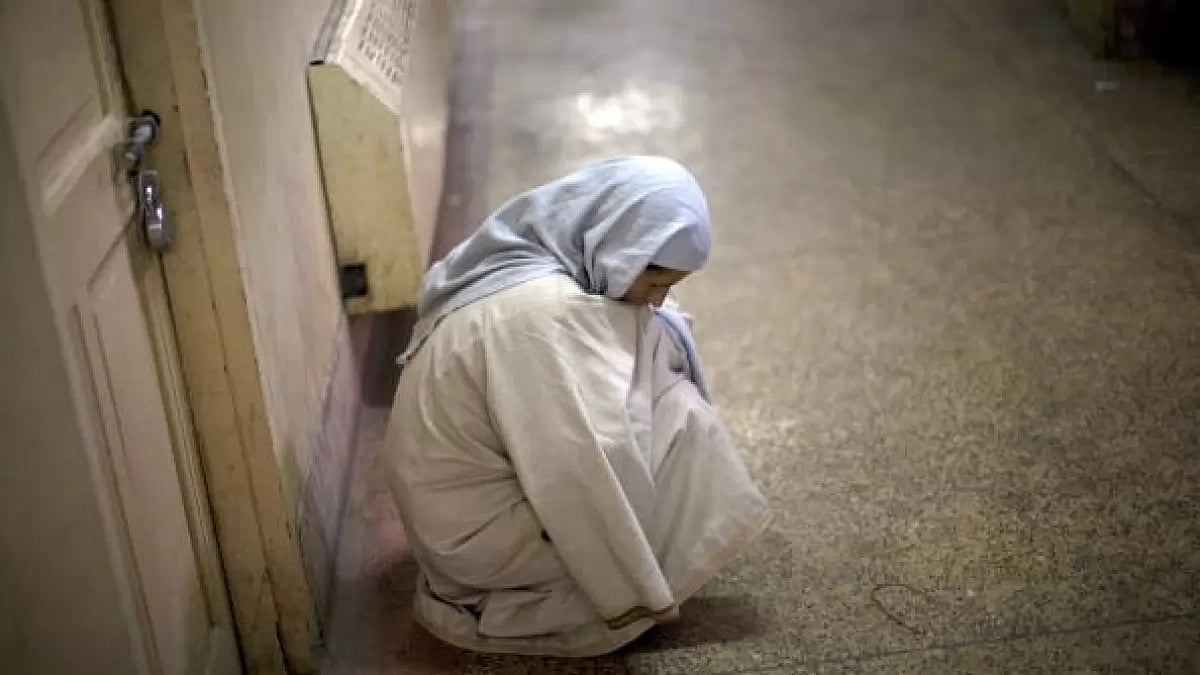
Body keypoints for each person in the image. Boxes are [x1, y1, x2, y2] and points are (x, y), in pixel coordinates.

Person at [384, 156, 769, 657]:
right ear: (620, 248)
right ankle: (614, 581)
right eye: (654, 283)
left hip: (457, 513)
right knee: (682, 423)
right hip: (478, 540)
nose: (657, 299)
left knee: (655, 347)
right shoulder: (539, 314)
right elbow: (576, 463)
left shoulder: (526, 262)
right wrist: (628, 587)